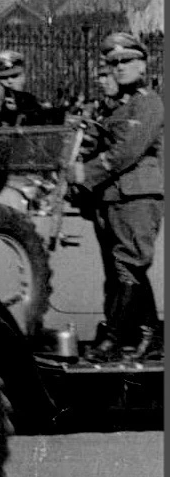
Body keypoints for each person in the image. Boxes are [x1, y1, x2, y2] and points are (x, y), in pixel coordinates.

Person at [73, 31, 162, 362]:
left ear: (143, 64)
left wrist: (87, 172)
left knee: (128, 264)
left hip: (139, 197)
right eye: (114, 63)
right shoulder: (117, 107)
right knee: (123, 267)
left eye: (127, 61)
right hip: (115, 197)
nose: (120, 68)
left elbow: (126, 152)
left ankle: (115, 339)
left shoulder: (148, 102)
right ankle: (148, 335)